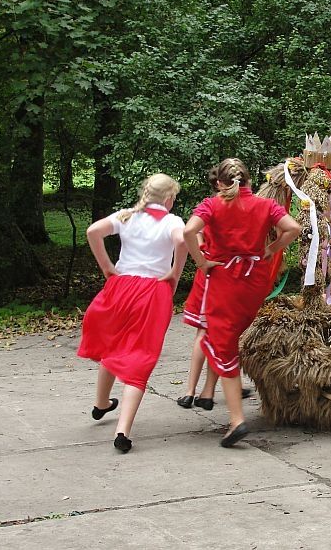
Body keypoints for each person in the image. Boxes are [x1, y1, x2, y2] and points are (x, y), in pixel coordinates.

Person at [184, 158, 300, 447]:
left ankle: (236, 421)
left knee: (223, 345)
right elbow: (293, 228)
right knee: (228, 337)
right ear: (248, 181)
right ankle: (214, 396)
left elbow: (188, 232)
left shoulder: (212, 205)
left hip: (225, 278)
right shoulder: (264, 205)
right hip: (254, 281)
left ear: (220, 183)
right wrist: (272, 248)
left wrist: (200, 262)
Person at [78, 173, 187, 452]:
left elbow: (93, 232)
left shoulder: (127, 216)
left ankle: (101, 403)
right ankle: (122, 431)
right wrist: (174, 273)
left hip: (121, 287)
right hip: (152, 292)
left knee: (114, 345)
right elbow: (182, 241)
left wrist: (107, 267)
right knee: (140, 355)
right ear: (169, 199)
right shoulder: (172, 221)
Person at [177, 166, 251, 411]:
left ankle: (192, 391)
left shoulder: (210, 205)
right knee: (221, 333)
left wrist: (201, 257)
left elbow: (193, 232)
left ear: (220, 183)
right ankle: (206, 391)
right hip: (235, 274)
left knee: (207, 331)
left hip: (211, 270)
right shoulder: (248, 205)